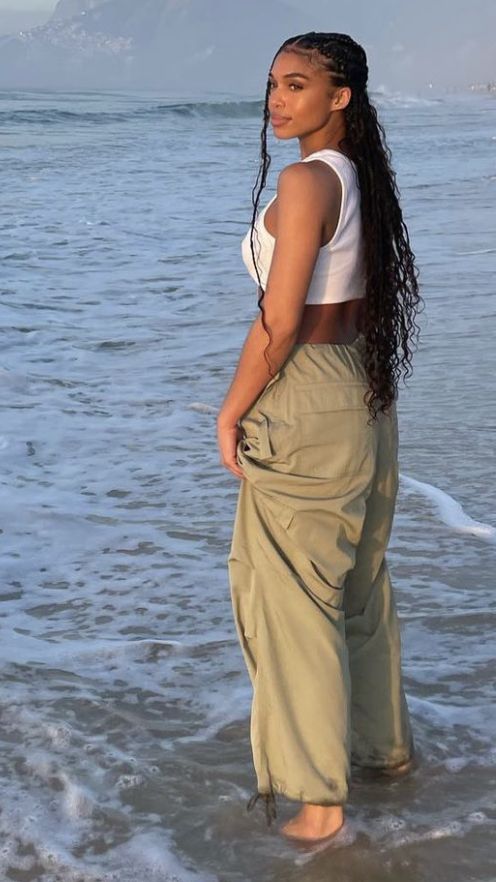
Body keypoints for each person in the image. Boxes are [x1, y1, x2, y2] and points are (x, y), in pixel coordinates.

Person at [216, 31, 423, 845]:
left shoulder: (306, 182)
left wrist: (231, 411)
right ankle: (384, 756)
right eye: (272, 83)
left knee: (293, 598)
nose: (277, 99)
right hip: (362, 392)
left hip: (306, 394)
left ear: (339, 98)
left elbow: (279, 319)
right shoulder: (357, 175)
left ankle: (319, 804)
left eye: (297, 85)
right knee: (358, 585)